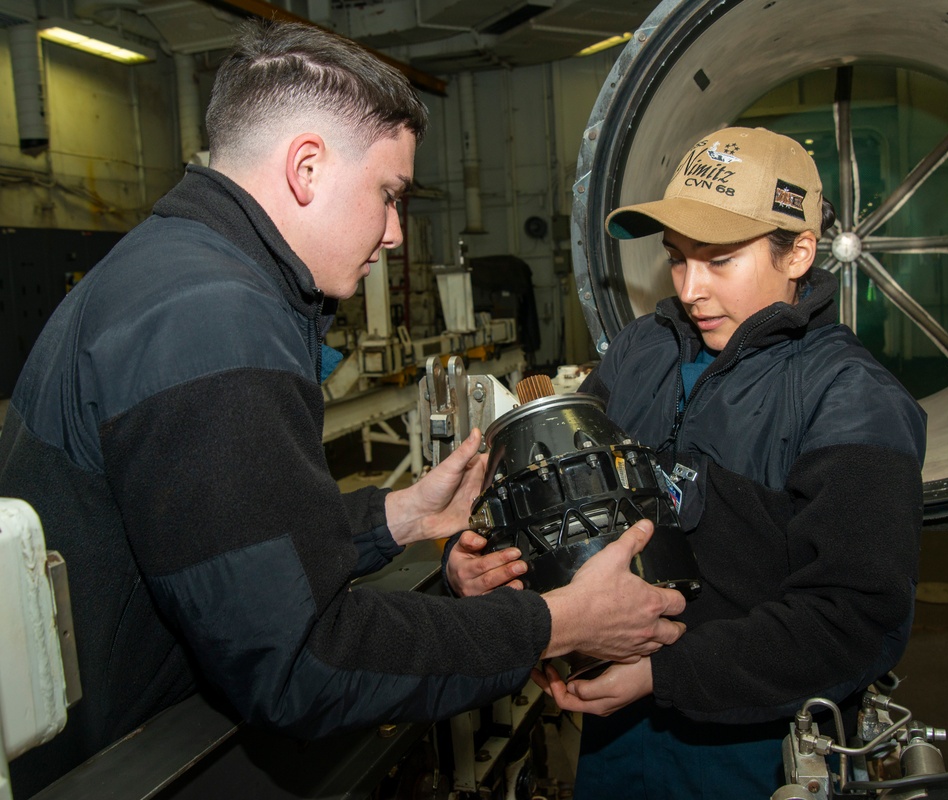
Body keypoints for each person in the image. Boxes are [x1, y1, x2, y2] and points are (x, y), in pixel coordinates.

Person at [0, 20, 688, 798]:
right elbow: (301, 663)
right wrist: (559, 621)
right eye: (390, 195)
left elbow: (222, 543)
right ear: (306, 167)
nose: (397, 234)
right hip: (129, 763)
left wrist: (394, 518)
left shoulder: (169, 270)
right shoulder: (215, 322)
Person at [447, 127, 927, 797]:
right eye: (677, 258)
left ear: (800, 253)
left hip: (756, 753)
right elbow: (566, 510)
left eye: (720, 260)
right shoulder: (643, 350)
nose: (690, 288)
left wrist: (661, 674)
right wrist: (486, 569)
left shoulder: (854, 402)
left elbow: (854, 621)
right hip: (616, 741)